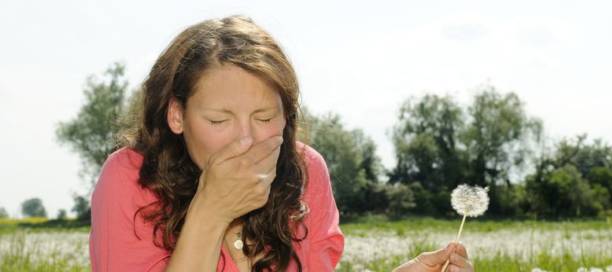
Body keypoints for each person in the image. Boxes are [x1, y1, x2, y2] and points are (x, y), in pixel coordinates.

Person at [89, 15, 473, 272]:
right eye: (219, 120)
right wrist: (210, 213)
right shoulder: (130, 179)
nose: (246, 139)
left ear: (287, 116)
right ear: (177, 115)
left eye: (265, 117)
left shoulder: (305, 171)